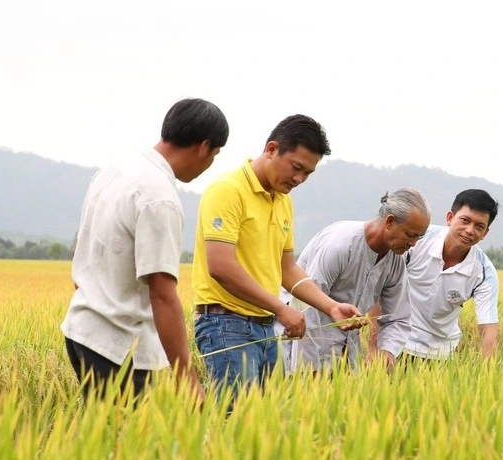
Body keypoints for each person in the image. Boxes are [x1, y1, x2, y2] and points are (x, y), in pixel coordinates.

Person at [61, 98, 226, 403]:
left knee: (102, 438)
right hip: (118, 343)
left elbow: (84, 251)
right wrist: (188, 381)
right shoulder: (159, 197)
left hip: (82, 329)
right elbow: (162, 295)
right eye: (215, 154)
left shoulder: (115, 170)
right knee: (128, 445)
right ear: (203, 147)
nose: (210, 162)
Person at [192, 114, 364, 392]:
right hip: (225, 325)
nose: (299, 178)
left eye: (307, 173)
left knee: (266, 422)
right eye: (296, 167)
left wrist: (331, 306)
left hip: (265, 327)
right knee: (237, 420)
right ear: (271, 149)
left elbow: (288, 270)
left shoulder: (283, 202)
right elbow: (220, 266)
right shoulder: (228, 191)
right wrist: (281, 309)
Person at [280, 188, 431, 374]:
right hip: (299, 340)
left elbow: (398, 317)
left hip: (345, 346)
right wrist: (308, 371)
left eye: (419, 236)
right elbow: (305, 309)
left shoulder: (395, 260)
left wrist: (387, 350)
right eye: (410, 235)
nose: (414, 243)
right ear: (390, 222)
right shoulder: (341, 244)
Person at [375, 189, 500, 362]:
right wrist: (375, 347)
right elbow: (378, 285)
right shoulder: (416, 240)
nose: (470, 230)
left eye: (479, 226)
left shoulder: (484, 273)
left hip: (440, 354)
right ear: (450, 218)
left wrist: (489, 373)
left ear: (485, 233)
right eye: (465, 220)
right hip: (395, 344)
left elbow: (488, 328)